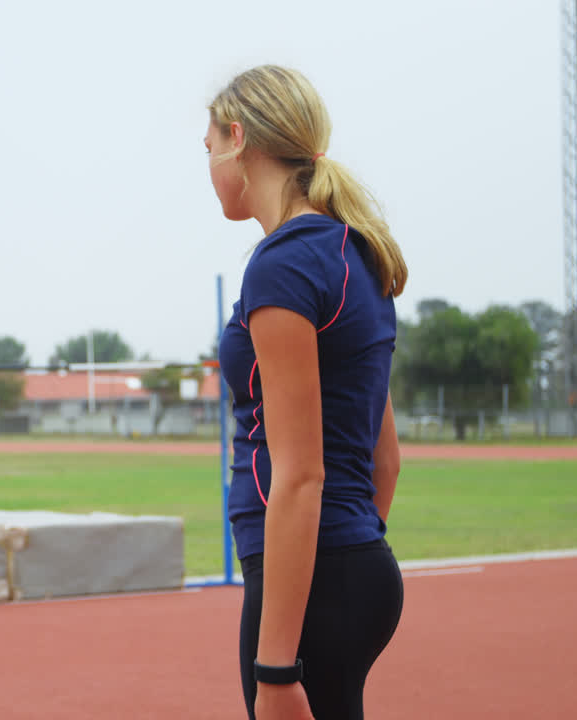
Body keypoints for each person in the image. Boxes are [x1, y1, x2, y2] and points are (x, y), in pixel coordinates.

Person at [205, 66, 409, 720]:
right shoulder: (357, 252)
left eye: (208, 147)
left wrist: (276, 666)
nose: (207, 165)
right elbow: (385, 459)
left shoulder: (285, 263)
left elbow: (298, 477)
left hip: (311, 581)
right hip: (356, 567)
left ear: (238, 139)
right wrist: (353, 553)